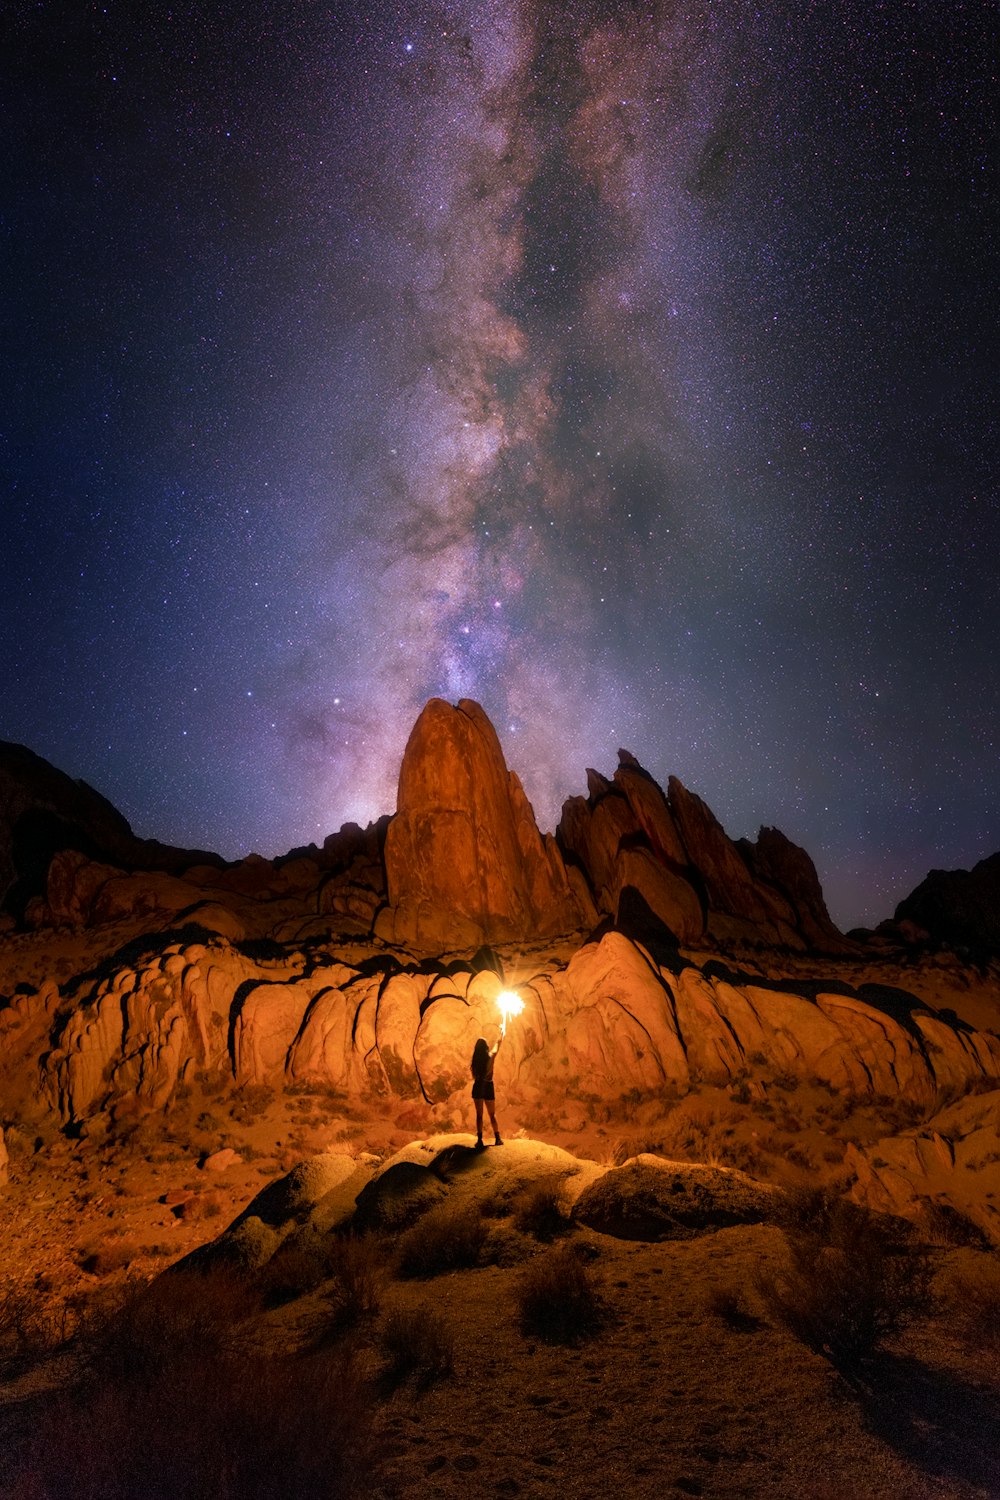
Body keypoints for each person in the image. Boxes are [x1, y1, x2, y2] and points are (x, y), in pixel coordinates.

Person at [470, 1025, 504, 1149]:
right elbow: (497, 1046)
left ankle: (479, 1140)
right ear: (485, 1048)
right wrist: (501, 1034)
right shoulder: (490, 1057)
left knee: (479, 1115)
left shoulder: (475, 1062)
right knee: (492, 1114)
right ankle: (497, 1138)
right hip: (488, 1086)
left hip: (478, 1085)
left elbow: (474, 1076)